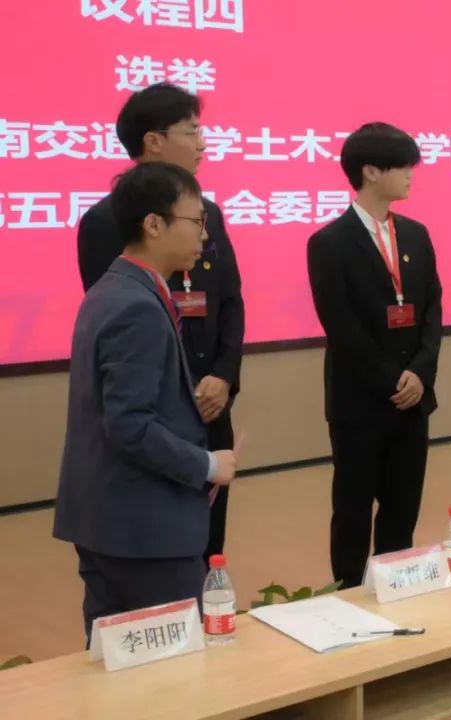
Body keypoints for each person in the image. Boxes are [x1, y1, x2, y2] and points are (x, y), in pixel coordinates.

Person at [54, 162, 237, 640]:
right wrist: (207, 464)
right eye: (195, 221)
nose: (205, 235)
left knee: (116, 657)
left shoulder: (114, 288)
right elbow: (129, 425)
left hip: (110, 520)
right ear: (154, 224)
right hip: (144, 530)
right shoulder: (137, 305)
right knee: (169, 664)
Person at [76, 83, 244, 566]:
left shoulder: (209, 214)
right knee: (159, 549)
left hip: (212, 406)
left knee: (209, 545)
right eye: (192, 132)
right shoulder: (105, 221)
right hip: (153, 415)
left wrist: (223, 377)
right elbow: (121, 328)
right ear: (153, 141)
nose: (203, 144)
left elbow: (230, 300)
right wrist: (184, 389)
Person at [307, 122, 443, 588]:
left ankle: (396, 584)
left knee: (403, 507)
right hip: (360, 403)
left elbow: (432, 310)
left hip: (413, 400)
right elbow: (341, 326)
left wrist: (419, 373)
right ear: (369, 171)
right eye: (401, 165)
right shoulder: (329, 243)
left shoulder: (417, 235)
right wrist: (391, 380)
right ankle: (347, 592)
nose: (410, 174)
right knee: (353, 509)